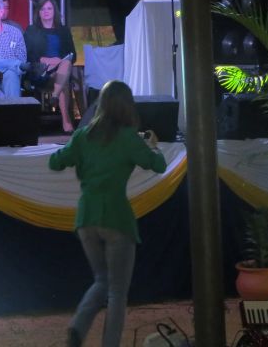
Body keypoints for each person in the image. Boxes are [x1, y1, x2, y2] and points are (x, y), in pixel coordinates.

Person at [49, 80, 167, 347]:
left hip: (86, 218)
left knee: (101, 280)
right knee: (117, 292)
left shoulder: (83, 135)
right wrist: (153, 145)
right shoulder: (128, 137)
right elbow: (158, 165)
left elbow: (55, 162)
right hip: (116, 218)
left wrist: (72, 150)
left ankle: (78, 327)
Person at [24, 0, 77, 133]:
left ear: (55, 11)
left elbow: (73, 55)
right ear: (38, 12)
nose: (46, 11)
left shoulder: (63, 31)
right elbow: (27, 55)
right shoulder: (32, 30)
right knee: (63, 80)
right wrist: (47, 60)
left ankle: (55, 96)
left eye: (49, 8)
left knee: (65, 65)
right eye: (42, 9)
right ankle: (66, 121)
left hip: (60, 70)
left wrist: (59, 62)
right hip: (41, 72)